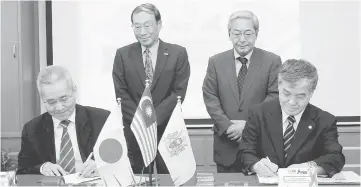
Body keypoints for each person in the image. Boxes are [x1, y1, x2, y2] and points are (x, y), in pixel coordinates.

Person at [112, 3, 190, 174]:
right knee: (137, 178)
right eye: (137, 26)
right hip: (135, 130)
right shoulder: (122, 55)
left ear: (159, 25)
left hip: (168, 129)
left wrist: (153, 120)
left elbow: (178, 92)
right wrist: (142, 122)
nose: (142, 31)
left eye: (147, 25)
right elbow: (121, 93)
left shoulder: (178, 53)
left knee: (169, 178)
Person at [202, 10, 282, 172]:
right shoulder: (216, 62)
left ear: (256, 33)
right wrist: (228, 126)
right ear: (229, 34)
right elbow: (210, 97)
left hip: (260, 145)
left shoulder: (272, 61)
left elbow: (274, 96)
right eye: (236, 33)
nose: (242, 39)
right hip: (226, 143)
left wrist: (249, 124)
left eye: (248, 33)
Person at [238, 59, 345, 177]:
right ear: (278, 86)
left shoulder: (325, 120)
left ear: (311, 93)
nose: (292, 102)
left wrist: (309, 167)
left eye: (300, 96)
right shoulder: (259, 113)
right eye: (286, 94)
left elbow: (336, 157)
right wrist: (256, 166)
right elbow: (245, 152)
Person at [17, 65, 110, 177]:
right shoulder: (32, 129)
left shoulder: (102, 120)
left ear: (74, 91)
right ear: (42, 99)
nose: (59, 107)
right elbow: (22, 171)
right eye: (51, 102)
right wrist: (42, 168)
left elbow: (125, 159)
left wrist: (101, 165)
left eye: (64, 99)